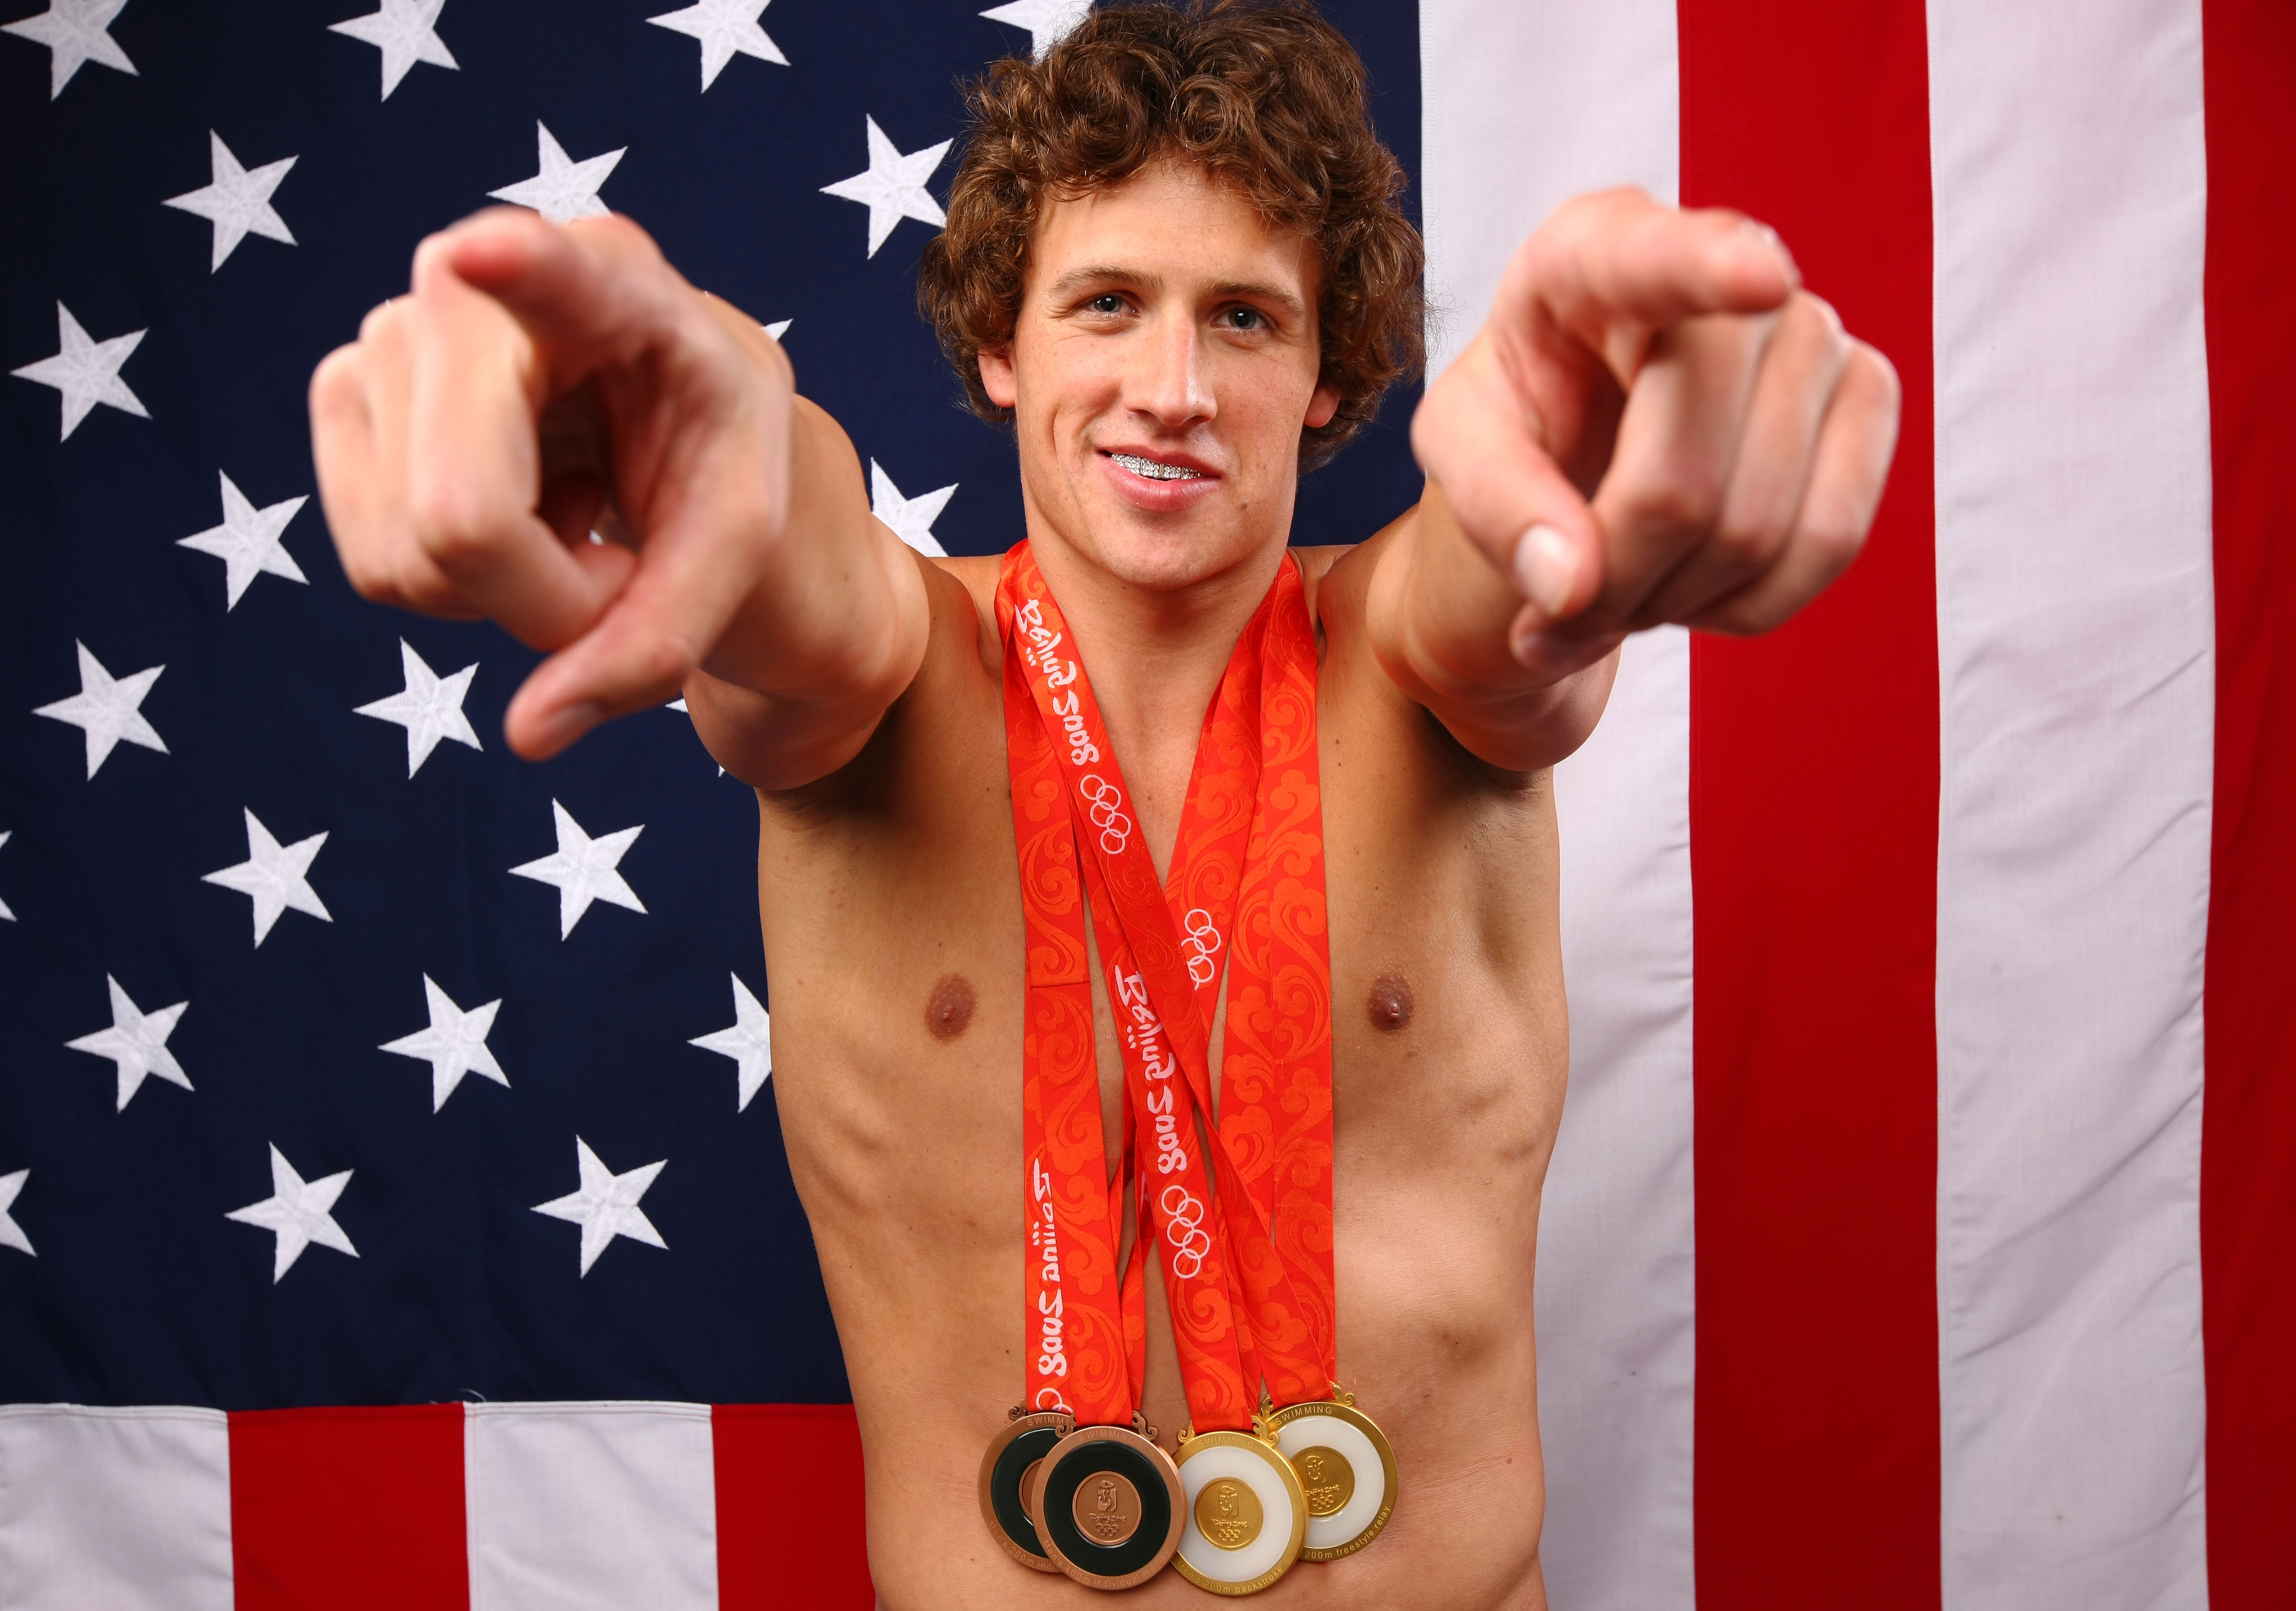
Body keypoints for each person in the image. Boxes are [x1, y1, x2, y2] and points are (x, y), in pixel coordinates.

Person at [308, 3, 1898, 1604]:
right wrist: (709, 416)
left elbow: (1503, 610)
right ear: (1005, 345)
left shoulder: (1423, 666)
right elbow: (798, 574)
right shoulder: (882, 682)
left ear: (1334, 373)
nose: (1173, 386)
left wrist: (1567, 467)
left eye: (1248, 321)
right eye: (1109, 303)